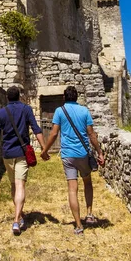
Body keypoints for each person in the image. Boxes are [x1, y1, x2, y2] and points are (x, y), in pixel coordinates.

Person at [40, 85, 105, 235]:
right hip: (83, 153)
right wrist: (100, 152)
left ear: (64, 97)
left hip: (68, 155)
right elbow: (91, 135)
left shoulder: (59, 111)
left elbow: (54, 133)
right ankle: (89, 214)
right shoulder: (84, 111)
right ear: (76, 97)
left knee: (72, 189)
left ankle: (78, 225)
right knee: (87, 182)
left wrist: (45, 150)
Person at [0, 86, 46, 235]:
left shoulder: (1, 112)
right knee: (20, 185)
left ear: (7, 97)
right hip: (22, 152)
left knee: (14, 185)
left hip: (7, 153)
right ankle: (17, 219)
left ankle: (19, 216)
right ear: (19, 96)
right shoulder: (26, 109)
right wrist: (44, 148)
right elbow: (36, 129)